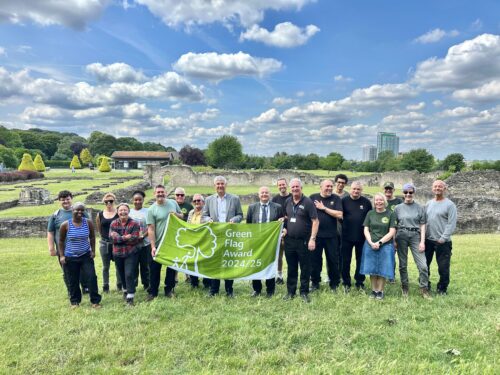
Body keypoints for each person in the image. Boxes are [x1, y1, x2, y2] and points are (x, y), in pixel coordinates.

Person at [202, 176, 243, 297]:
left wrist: (235, 219)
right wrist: (208, 219)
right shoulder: (209, 200)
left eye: (222, 184)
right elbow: (204, 215)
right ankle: (213, 290)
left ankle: (229, 290)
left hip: (230, 236)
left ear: (226, 185)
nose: (220, 186)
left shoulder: (235, 199)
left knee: (229, 262)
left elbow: (240, 215)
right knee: (215, 263)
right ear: (214, 186)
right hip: (215, 236)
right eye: (218, 184)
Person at [282, 178, 319, 303]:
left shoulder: (308, 202)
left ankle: (304, 292)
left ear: (301, 188)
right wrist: (285, 228)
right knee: (291, 267)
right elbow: (287, 217)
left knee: (305, 267)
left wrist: (312, 239)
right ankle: (290, 292)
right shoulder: (287, 201)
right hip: (290, 241)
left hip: (304, 241)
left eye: (297, 187)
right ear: (290, 189)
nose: (295, 189)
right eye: (292, 187)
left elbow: (315, 221)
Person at [58, 202, 101, 308]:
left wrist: (93, 251)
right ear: (73, 210)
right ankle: (74, 302)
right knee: (73, 280)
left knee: (91, 277)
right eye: (77, 210)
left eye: (82, 210)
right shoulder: (65, 225)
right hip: (70, 257)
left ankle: (95, 301)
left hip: (85, 255)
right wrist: (62, 256)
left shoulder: (88, 223)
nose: (80, 212)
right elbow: (61, 241)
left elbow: (92, 237)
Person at [47, 190, 89, 295]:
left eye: (67, 199)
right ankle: (71, 290)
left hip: (81, 247)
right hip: (63, 249)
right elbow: (50, 232)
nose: (65, 201)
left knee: (83, 269)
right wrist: (51, 248)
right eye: (63, 200)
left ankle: (85, 287)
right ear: (59, 201)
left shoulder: (80, 211)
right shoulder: (56, 215)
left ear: (71, 199)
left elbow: (89, 227)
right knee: (67, 271)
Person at [246, 186, 284, 298]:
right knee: (255, 264)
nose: (264, 194)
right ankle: (257, 289)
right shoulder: (252, 207)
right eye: (262, 193)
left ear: (270, 194)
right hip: (256, 241)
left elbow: (281, 222)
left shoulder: (277, 207)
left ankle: (270, 290)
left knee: (270, 264)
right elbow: (248, 224)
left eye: (266, 193)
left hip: (270, 241)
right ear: (258, 195)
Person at [394, 183, 431, 299]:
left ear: (413, 193)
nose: (408, 194)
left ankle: (424, 289)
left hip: (416, 235)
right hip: (401, 235)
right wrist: (394, 240)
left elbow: (423, 225)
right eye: (406, 192)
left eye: (410, 192)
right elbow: (394, 225)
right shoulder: (398, 208)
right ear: (403, 194)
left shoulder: (420, 208)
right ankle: (405, 287)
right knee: (403, 264)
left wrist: (422, 242)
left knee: (423, 265)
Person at [146, 184, 183, 300]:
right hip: (158, 244)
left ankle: (169, 290)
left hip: (171, 243)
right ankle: (153, 292)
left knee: (171, 268)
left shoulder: (173, 203)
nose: (160, 194)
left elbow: (181, 216)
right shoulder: (151, 209)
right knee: (154, 270)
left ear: (165, 193)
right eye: (158, 192)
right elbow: (151, 229)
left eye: (162, 192)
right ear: (154, 194)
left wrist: (176, 214)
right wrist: (152, 246)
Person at [360, 193, 397, 300]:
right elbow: (366, 229)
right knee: (372, 268)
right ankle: (374, 290)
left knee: (383, 268)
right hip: (370, 244)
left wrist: (380, 243)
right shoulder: (370, 213)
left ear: (384, 201)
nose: (379, 202)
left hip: (386, 245)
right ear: (374, 202)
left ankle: (380, 291)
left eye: (381, 200)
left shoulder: (391, 214)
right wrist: (371, 242)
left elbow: (392, 232)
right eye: (377, 200)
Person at [309, 179, 343, 292]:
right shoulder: (312, 198)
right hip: (316, 236)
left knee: (333, 260)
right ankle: (314, 283)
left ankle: (334, 284)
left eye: (331, 186)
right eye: (327, 186)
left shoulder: (336, 198)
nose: (329, 188)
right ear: (320, 187)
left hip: (332, 236)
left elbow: (339, 214)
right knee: (315, 261)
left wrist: (324, 208)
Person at [425, 180, 457, 295]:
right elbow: (424, 221)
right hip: (428, 240)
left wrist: (443, 238)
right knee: (425, 265)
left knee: (443, 267)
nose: (437, 188)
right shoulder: (429, 203)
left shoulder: (450, 205)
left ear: (444, 189)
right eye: (435, 186)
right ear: (432, 188)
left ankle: (442, 288)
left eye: (440, 186)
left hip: (442, 242)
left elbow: (451, 223)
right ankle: (425, 285)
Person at [341, 181, 372, 292]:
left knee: (361, 261)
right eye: (354, 189)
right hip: (346, 237)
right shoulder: (343, 201)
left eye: (358, 189)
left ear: (361, 190)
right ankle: (346, 282)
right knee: (345, 261)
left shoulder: (366, 202)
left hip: (361, 237)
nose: (356, 191)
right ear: (350, 189)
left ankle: (359, 282)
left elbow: (370, 219)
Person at [110, 203, 142, 306]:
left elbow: (134, 239)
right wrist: (125, 238)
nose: (123, 212)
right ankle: (125, 290)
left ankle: (130, 297)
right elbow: (112, 238)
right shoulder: (113, 224)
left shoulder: (134, 224)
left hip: (130, 253)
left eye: (125, 210)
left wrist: (119, 238)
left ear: (128, 211)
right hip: (117, 253)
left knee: (129, 274)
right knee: (121, 273)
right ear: (117, 212)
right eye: (120, 210)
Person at [96, 192, 121, 293]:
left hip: (116, 242)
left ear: (114, 201)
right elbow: (99, 228)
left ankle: (119, 284)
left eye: (111, 201)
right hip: (104, 242)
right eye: (106, 202)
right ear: (104, 202)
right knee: (105, 266)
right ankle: (105, 286)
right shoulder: (100, 214)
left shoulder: (118, 213)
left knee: (118, 264)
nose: (109, 203)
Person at [186, 193, 211, 289]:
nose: (197, 202)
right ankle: (194, 282)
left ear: (203, 202)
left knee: (205, 262)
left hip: (204, 241)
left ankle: (207, 282)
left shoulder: (207, 212)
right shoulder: (191, 212)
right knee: (193, 261)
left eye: (198, 200)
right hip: (193, 241)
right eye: (195, 201)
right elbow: (188, 225)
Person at [129, 190, 150, 292]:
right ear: (132, 200)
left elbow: (150, 226)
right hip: (132, 244)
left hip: (145, 243)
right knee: (133, 265)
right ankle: (133, 285)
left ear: (143, 200)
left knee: (145, 265)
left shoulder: (148, 211)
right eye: (135, 200)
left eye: (140, 199)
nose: (138, 201)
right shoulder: (129, 212)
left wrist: (143, 236)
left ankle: (146, 284)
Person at [271, 178, 291, 285]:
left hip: (291, 231)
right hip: (278, 232)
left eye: (283, 184)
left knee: (291, 256)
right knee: (279, 256)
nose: (282, 186)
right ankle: (279, 275)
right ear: (277, 186)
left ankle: (292, 276)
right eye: (280, 185)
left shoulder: (293, 197)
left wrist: (285, 218)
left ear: (287, 185)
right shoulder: (274, 199)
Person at [383, 181, 403, 283]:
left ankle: (391, 276)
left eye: (390, 189)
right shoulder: (381, 201)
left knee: (391, 255)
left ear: (393, 190)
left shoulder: (399, 201)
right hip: (382, 232)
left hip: (395, 232)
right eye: (386, 189)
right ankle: (382, 275)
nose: (388, 190)